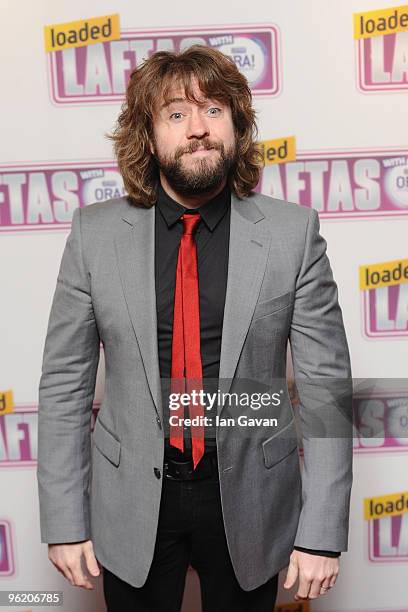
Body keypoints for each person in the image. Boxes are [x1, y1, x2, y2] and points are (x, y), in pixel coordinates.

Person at [37, 45, 353, 611]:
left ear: (238, 126)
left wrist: (322, 532)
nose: (199, 130)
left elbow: (326, 391)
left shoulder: (292, 233)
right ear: (149, 135)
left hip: (251, 500)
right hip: (133, 499)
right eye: (177, 115)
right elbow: (65, 384)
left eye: (214, 111)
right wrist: (63, 520)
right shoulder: (94, 235)